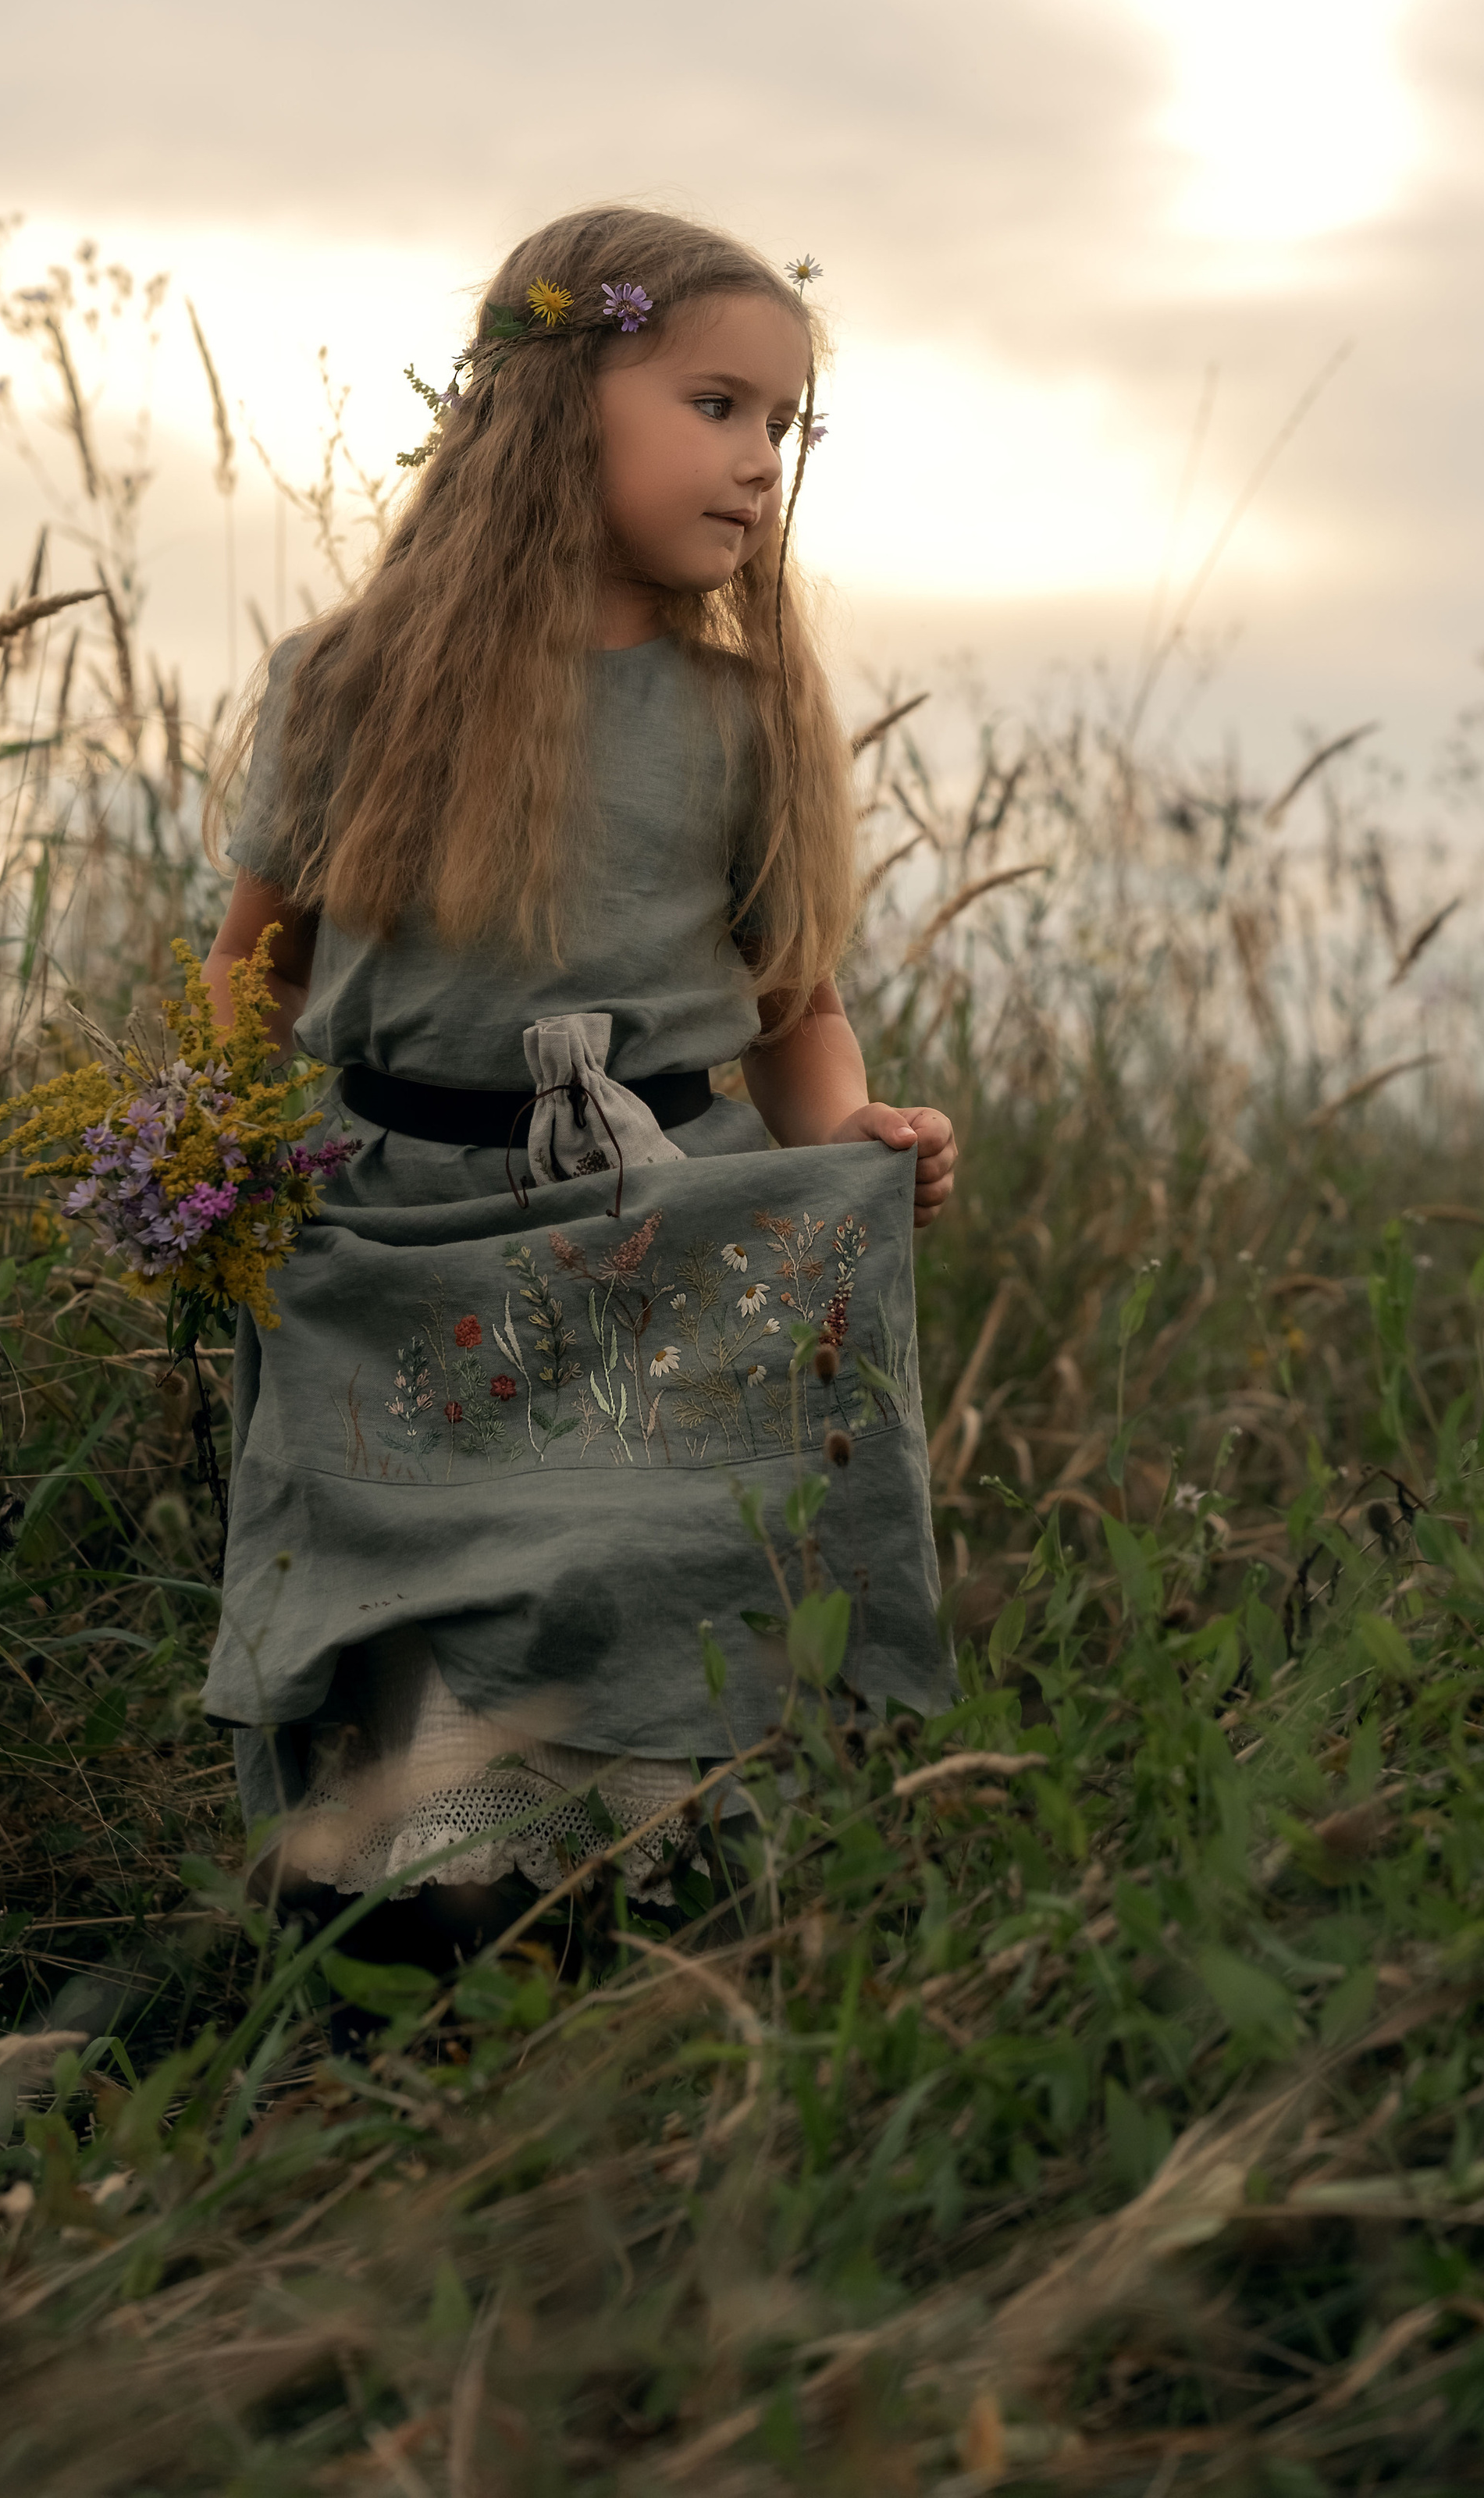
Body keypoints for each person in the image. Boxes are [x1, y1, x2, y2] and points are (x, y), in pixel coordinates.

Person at [200, 205, 956, 1983]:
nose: (758, 463)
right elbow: (258, 970)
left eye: (781, 428)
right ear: (557, 404)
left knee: (639, 1569)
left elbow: (797, 1007)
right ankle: (409, 1943)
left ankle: (625, 1933)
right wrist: (208, 1151)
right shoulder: (348, 686)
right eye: (714, 405)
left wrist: (843, 1136)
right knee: (426, 1585)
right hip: (398, 1237)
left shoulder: (742, 714)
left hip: (658, 1225)